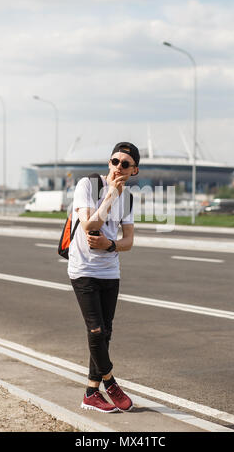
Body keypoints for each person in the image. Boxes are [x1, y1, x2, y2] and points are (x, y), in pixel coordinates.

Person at [68, 142, 140, 413]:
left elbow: (129, 241)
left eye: (124, 164)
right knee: (95, 330)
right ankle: (111, 384)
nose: (117, 167)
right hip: (83, 268)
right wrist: (110, 195)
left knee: (105, 333)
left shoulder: (130, 198)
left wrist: (110, 245)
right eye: (114, 161)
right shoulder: (88, 185)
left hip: (109, 270)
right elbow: (89, 225)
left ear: (133, 170)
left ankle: (90, 393)